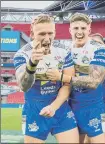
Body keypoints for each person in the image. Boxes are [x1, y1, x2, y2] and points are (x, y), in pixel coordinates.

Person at [13, 14, 79, 143]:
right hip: (34, 110)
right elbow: (23, 85)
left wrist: (53, 107)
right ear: (32, 33)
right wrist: (32, 63)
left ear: (55, 32)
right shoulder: (22, 54)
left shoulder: (64, 52)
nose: (47, 39)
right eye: (42, 34)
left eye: (50, 33)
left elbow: (67, 84)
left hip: (59, 106)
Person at [45, 13, 105, 143]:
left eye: (83, 28)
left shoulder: (98, 49)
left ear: (89, 30)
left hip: (94, 108)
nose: (79, 32)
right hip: (71, 107)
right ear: (70, 30)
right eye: (76, 28)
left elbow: (95, 81)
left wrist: (62, 77)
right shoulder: (65, 51)